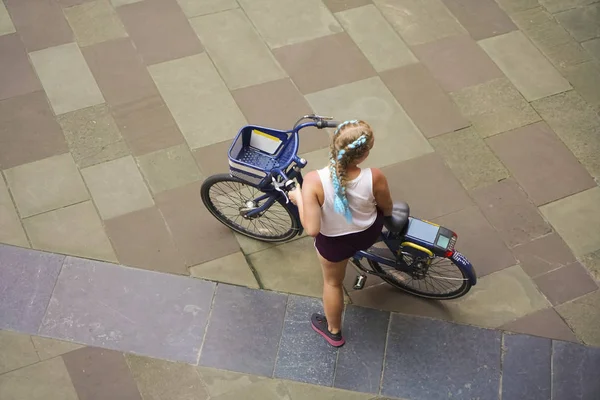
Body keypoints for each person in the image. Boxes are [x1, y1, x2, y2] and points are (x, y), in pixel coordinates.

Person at [288, 120, 394, 347]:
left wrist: (298, 199)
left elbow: (312, 229)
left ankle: (334, 331)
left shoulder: (313, 181)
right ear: (364, 154)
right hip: (368, 232)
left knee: (333, 283)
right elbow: (387, 208)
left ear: (333, 146)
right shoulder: (375, 176)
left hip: (334, 245)